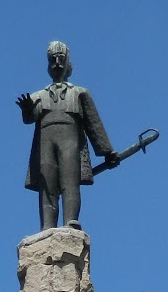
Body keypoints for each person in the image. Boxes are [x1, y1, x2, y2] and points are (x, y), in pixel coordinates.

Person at [18, 41, 118, 230]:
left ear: (67, 63)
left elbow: (93, 124)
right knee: (47, 183)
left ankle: (70, 220)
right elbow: (30, 118)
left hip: (70, 140)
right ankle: (47, 226)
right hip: (45, 140)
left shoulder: (79, 93)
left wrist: (107, 151)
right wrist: (27, 110)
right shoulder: (38, 95)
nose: (57, 63)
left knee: (69, 180)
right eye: (52, 60)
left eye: (61, 59)